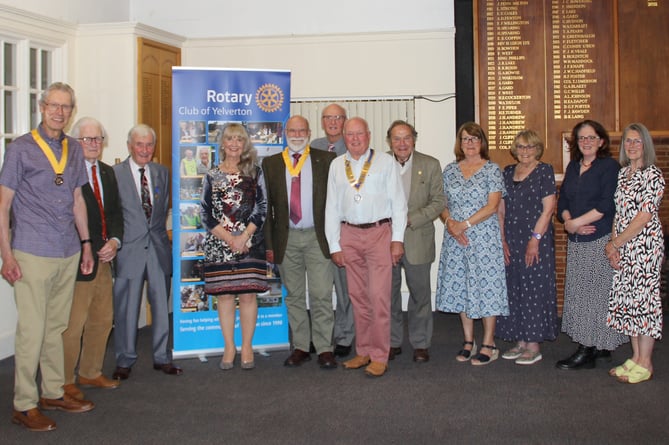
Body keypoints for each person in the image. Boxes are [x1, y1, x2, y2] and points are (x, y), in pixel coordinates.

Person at [0, 82, 95, 432]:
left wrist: (86, 243)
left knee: (56, 327)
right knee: (32, 329)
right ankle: (24, 404)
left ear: (71, 110)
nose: (60, 112)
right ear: (42, 107)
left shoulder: (73, 148)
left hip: (67, 249)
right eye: (54, 105)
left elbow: (77, 200)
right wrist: (6, 255)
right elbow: (3, 205)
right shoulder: (20, 149)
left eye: (66, 107)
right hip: (31, 250)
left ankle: (53, 391)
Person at [325, 117, 407, 377]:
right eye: (350, 135)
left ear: (369, 135)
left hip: (379, 234)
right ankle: (363, 351)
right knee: (357, 298)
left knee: (379, 297)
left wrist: (397, 240)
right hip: (349, 235)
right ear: (344, 137)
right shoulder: (337, 165)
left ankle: (380, 355)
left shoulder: (385, 162)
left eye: (359, 134)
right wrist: (334, 244)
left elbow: (399, 204)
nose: (355, 139)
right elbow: (331, 208)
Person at [263, 116, 337, 369]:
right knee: (294, 296)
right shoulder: (271, 164)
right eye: (292, 130)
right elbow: (267, 208)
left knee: (321, 294)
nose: (297, 134)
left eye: (301, 130)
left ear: (309, 132)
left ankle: (325, 347)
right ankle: (302, 347)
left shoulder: (325, 160)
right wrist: (271, 245)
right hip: (287, 238)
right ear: (285, 133)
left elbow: (335, 202)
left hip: (318, 237)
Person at [556, 119, 628, 371]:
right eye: (581, 138)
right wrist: (568, 221)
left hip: (598, 240)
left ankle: (588, 348)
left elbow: (606, 204)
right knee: (582, 294)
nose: (586, 142)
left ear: (601, 141)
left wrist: (576, 223)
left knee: (595, 296)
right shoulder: (574, 167)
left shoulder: (609, 167)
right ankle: (598, 346)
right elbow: (562, 199)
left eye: (591, 137)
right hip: (577, 241)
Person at [112, 124, 183, 380]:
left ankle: (162, 357)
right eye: (139, 144)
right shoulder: (114, 174)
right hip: (128, 250)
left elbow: (165, 210)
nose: (144, 149)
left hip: (158, 249)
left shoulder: (162, 172)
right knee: (126, 309)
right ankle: (124, 359)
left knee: (162, 308)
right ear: (130, 146)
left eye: (149, 144)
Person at [435, 122, 508, 366]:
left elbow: (492, 205)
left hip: (484, 238)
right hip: (456, 239)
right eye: (465, 139)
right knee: (461, 288)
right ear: (460, 143)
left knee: (487, 288)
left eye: (475, 139)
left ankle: (488, 342)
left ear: (482, 142)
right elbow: (441, 204)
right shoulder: (450, 170)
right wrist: (450, 224)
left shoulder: (492, 170)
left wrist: (463, 225)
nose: (470, 143)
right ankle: (468, 340)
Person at [62, 117, 124, 401]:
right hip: (76, 259)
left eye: (98, 139)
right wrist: (87, 245)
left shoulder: (108, 173)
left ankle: (90, 370)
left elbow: (114, 213)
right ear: (75, 142)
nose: (93, 144)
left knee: (102, 318)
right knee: (73, 324)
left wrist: (115, 241)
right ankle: (63, 380)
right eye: (87, 139)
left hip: (104, 258)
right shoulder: (65, 173)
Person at [201, 123, 268, 370]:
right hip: (220, 246)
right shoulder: (212, 174)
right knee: (226, 296)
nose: (234, 144)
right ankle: (229, 347)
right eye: (230, 139)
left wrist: (243, 237)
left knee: (248, 294)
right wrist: (230, 239)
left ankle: (247, 346)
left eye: (239, 140)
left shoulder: (255, 173)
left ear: (245, 144)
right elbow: (205, 214)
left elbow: (262, 207)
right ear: (223, 144)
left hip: (249, 244)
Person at [606, 123, 664, 384]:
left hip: (645, 246)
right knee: (628, 301)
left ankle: (646, 362)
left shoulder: (653, 175)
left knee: (644, 302)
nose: (631, 146)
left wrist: (617, 243)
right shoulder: (623, 174)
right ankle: (635, 356)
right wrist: (612, 243)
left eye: (637, 141)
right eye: (628, 141)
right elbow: (619, 212)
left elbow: (644, 216)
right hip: (623, 244)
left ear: (646, 145)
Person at [497, 130, 558, 365]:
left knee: (534, 288)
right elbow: (500, 209)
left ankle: (533, 345)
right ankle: (521, 340)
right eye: (521, 147)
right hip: (511, 238)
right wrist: (501, 238)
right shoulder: (508, 172)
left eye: (529, 147)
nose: (525, 151)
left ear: (537, 149)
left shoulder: (544, 171)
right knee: (515, 287)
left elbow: (548, 209)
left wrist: (535, 239)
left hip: (535, 240)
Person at [387, 120, 444, 363]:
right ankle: (392, 341)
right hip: (385, 240)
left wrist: (410, 219)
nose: (402, 143)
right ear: (390, 141)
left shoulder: (430, 164)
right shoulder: (379, 164)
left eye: (406, 138)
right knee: (388, 295)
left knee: (420, 295)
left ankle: (421, 343)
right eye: (397, 138)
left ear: (414, 139)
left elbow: (439, 201)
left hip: (417, 238)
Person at [310, 103, 354, 357]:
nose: (333, 122)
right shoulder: (312, 146)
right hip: (316, 228)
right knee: (320, 289)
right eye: (328, 117)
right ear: (322, 121)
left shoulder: (353, 147)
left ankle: (345, 336)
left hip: (344, 228)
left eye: (338, 118)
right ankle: (322, 336)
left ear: (345, 121)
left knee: (344, 287)